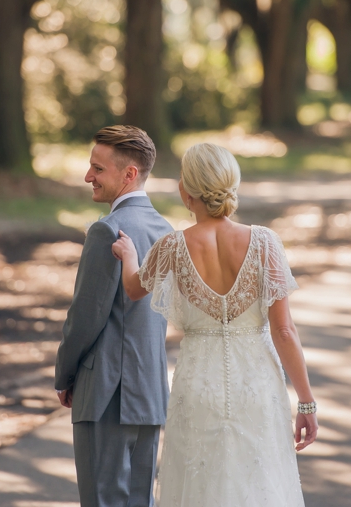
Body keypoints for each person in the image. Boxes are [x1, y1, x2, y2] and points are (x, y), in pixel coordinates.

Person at [111, 142, 317, 507]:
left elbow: (132, 288)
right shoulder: (266, 243)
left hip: (197, 385)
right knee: (261, 483)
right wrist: (306, 403)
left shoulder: (172, 247)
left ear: (184, 192)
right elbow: (284, 331)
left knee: (198, 484)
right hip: (256, 385)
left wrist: (129, 255)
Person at [54, 125, 174, 507]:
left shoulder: (106, 231)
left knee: (102, 500)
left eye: (97, 168)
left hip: (105, 392)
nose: (88, 176)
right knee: (140, 501)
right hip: (150, 391)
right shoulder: (166, 231)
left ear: (129, 174)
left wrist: (65, 374)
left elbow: (85, 318)